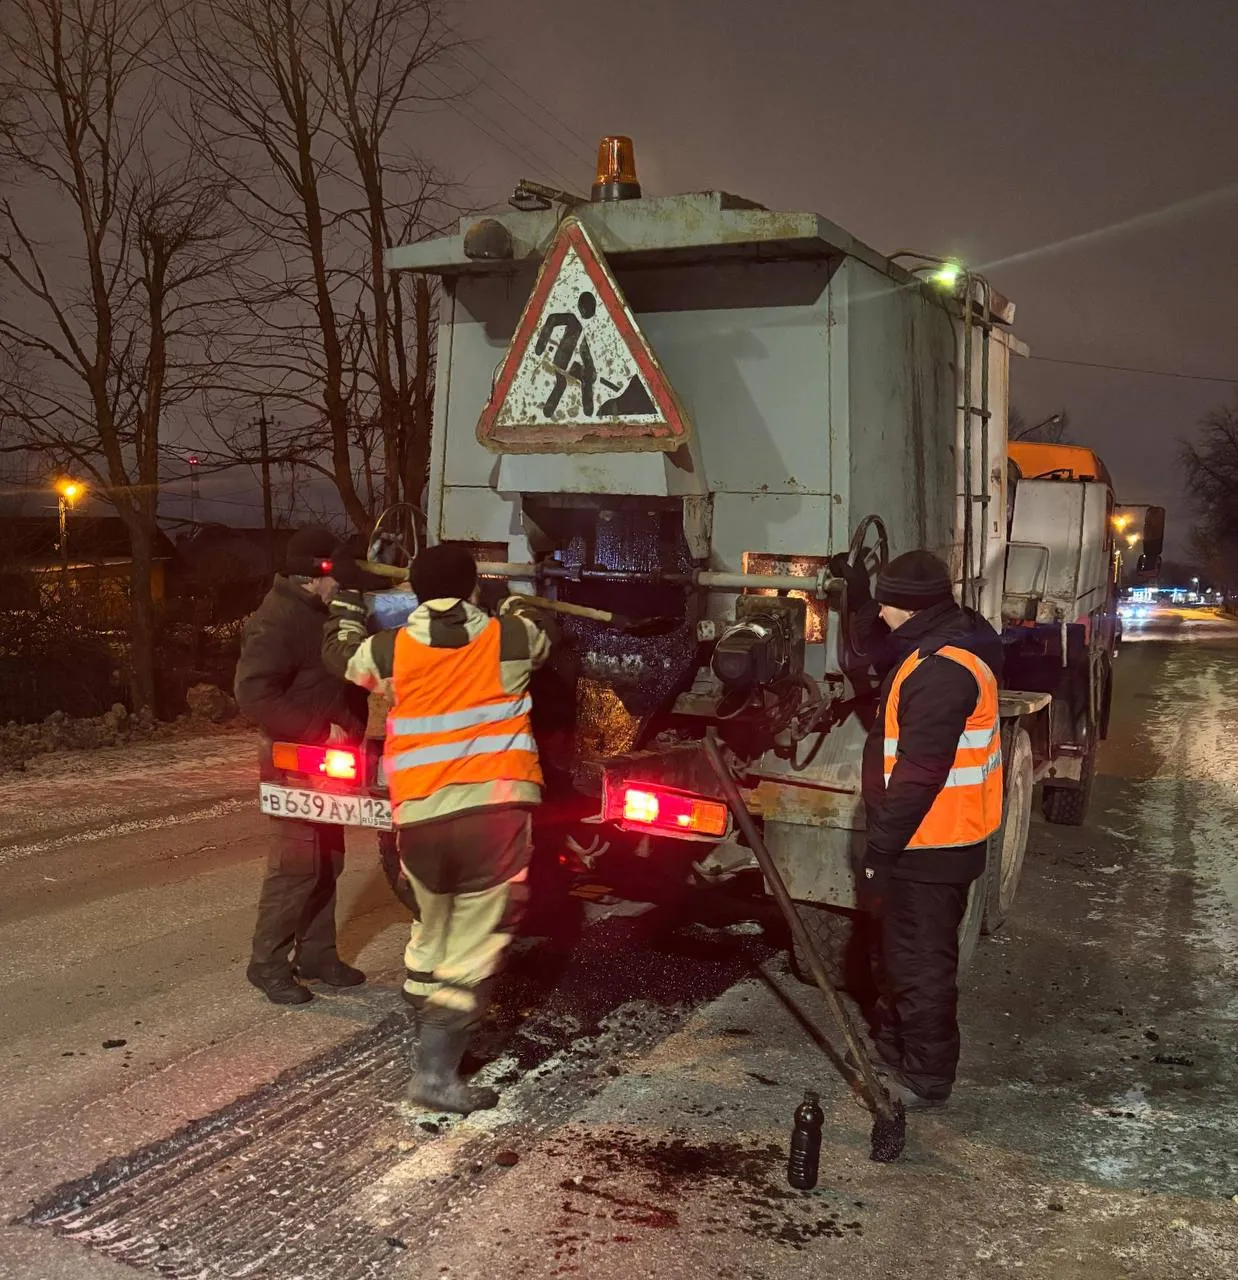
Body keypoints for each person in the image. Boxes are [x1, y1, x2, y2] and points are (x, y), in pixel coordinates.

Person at [322, 543, 553, 1114]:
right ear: (472, 588)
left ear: (414, 594)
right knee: (470, 950)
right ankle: (435, 1077)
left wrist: (347, 601)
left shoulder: (390, 649)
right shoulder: (509, 638)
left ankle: (422, 1031)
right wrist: (511, 597)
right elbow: (540, 628)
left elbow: (340, 654)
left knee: (431, 928)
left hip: (420, 819)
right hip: (492, 816)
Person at [831, 548, 1004, 1111]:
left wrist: (880, 851)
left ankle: (927, 1076)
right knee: (899, 953)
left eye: (885, 604)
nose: (879, 615)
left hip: (931, 842)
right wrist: (860, 594)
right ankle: (895, 1047)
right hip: (929, 839)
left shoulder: (942, 672)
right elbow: (875, 645)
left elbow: (921, 773)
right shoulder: (938, 640)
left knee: (921, 961)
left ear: (908, 608)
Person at [235, 525, 386, 1006]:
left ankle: (317, 955)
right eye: (335, 576)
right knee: (296, 865)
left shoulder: (316, 611)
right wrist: (319, 731)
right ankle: (267, 965)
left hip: (328, 762)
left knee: (326, 861)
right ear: (313, 575)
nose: (340, 585)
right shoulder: (278, 619)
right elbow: (253, 693)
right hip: (296, 758)